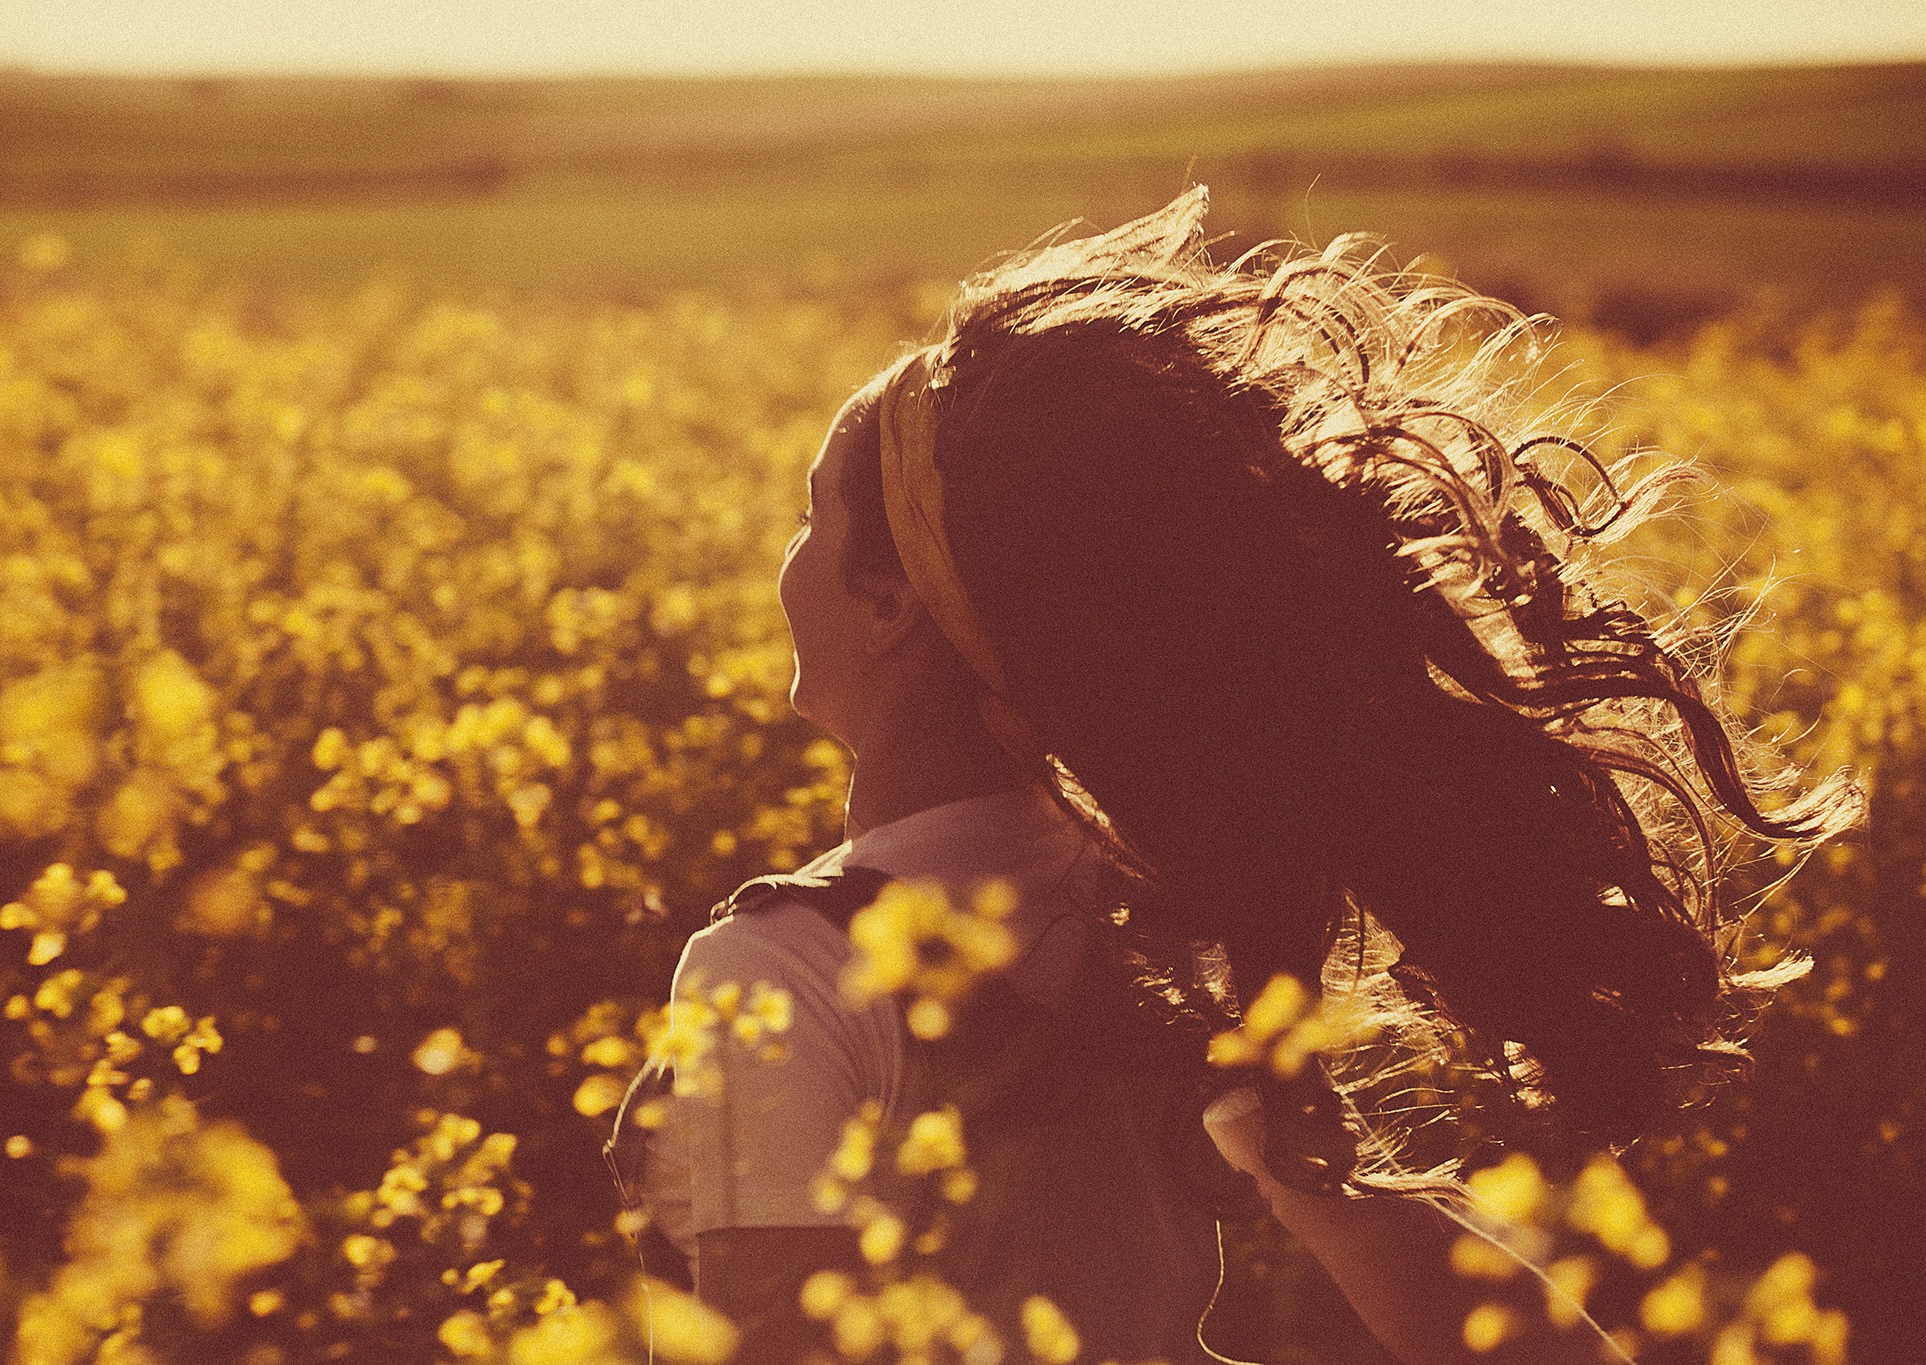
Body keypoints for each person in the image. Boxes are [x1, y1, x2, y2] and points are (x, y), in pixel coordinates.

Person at [607, 186, 1859, 1364]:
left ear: (886, 604)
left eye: (812, 519)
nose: (789, 556)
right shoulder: (1151, 929)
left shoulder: (784, 971)